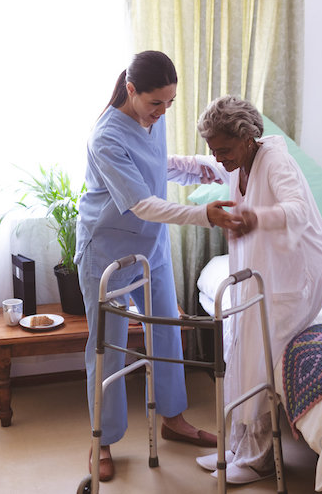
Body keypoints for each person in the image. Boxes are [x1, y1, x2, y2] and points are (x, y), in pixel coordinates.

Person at [76, 50, 241, 482]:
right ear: (131, 90)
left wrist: (193, 167)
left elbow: (153, 165)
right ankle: (102, 440)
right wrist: (203, 215)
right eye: (156, 103)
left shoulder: (154, 115)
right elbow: (142, 203)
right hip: (108, 250)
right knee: (107, 348)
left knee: (167, 330)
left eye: (170, 102)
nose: (163, 111)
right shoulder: (105, 137)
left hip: (152, 248)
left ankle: (173, 419)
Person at [187, 95, 322, 484]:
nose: (220, 159)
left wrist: (257, 216)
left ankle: (258, 460)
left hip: (302, 274)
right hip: (267, 271)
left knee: (258, 357)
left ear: (248, 138)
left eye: (224, 150)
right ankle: (238, 447)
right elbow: (200, 165)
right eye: (214, 152)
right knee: (239, 344)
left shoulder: (276, 161)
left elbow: (298, 211)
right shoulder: (237, 162)